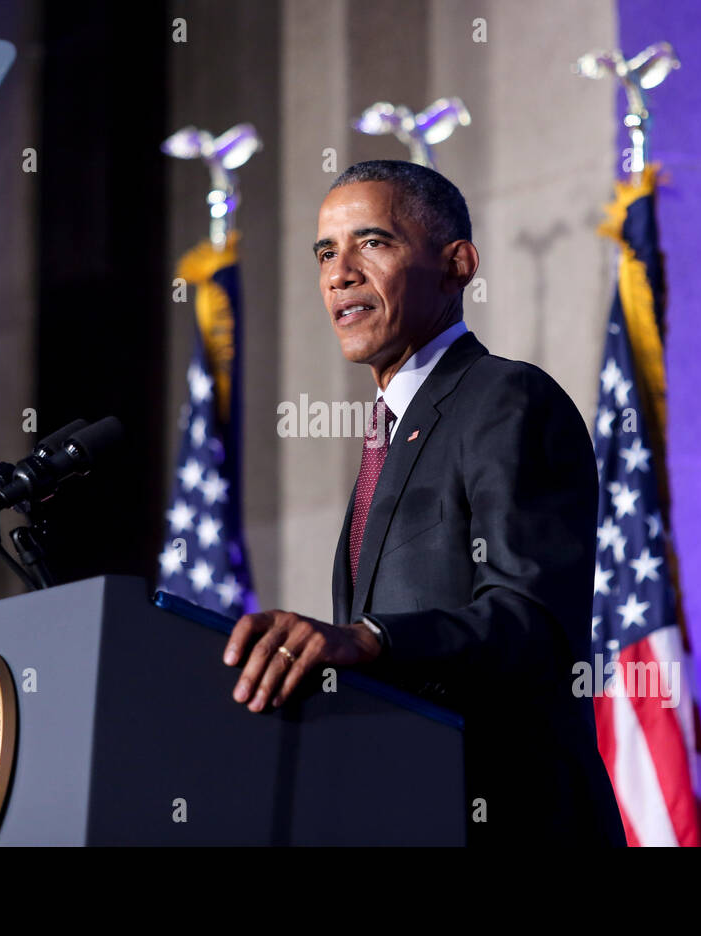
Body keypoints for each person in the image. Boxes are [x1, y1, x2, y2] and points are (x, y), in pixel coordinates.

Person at [223, 159, 625, 845]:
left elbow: (531, 624)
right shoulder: (391, 434)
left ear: (457, 264)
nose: (338, 272)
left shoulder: (505, 399)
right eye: (325, 252)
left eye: (371, 242)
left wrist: (367, 638)